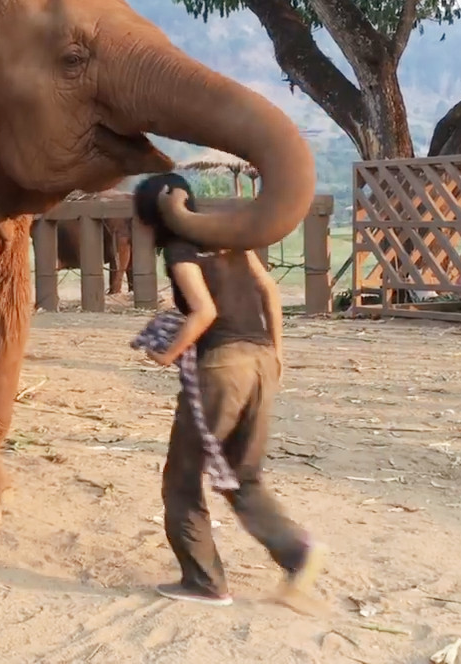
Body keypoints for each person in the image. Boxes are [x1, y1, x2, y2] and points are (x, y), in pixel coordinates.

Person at [130, 172, 326, 609]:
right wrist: (276, 351)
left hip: (222, 367)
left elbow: (204, 311)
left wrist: (166, 354)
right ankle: (297, 554)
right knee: (243, 475)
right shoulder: (231, 236)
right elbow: (268, 288)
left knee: (181, 480)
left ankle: (204, 583)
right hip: (260, 362)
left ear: (149, 218)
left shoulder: (178, 249)